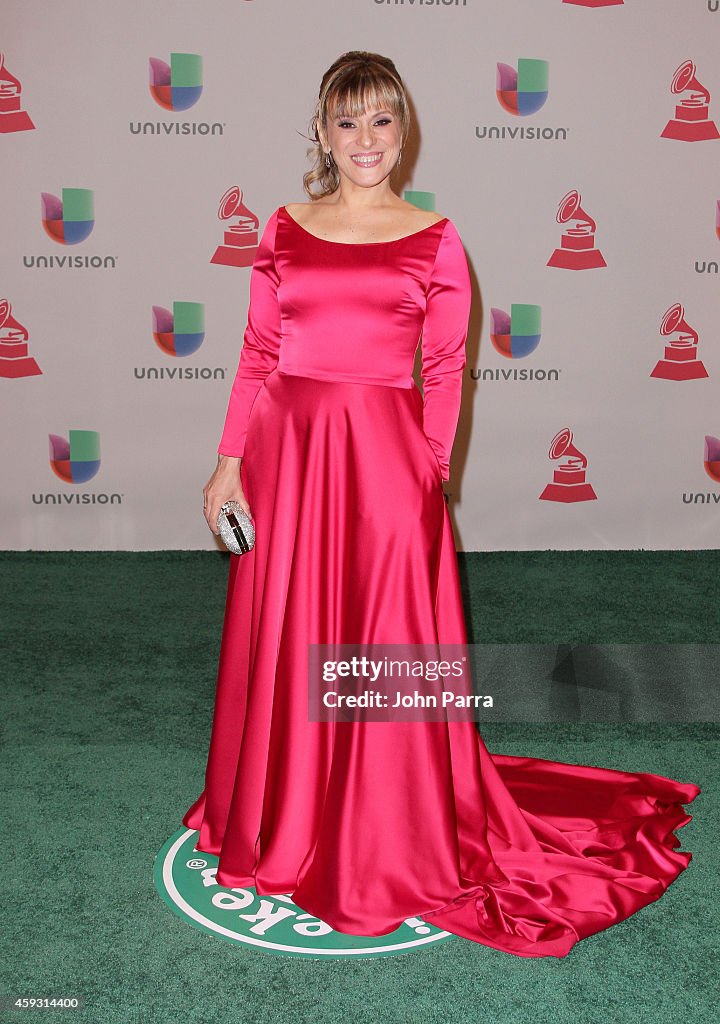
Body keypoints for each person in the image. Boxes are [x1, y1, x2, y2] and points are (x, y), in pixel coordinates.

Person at [183, 51, 700, 958]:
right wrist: (229, 461)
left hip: (384, 463)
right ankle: (282, 806)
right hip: (286, 457)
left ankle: (378, 822)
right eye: (348, 121)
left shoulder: (436, 238)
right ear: (321, 132)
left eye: (383, 121)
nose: (366, 140)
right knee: (287, 631)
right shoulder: (283, 228)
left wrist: (424, 470)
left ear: (403, 132)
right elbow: (258, 354)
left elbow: (448, 367)